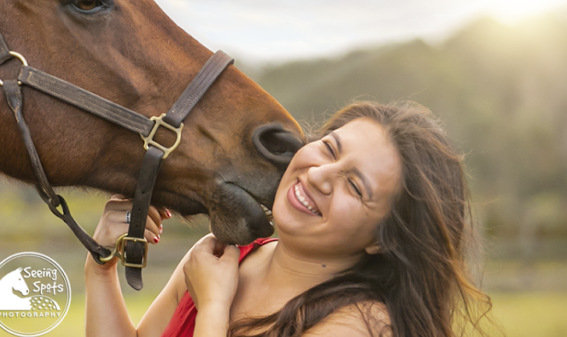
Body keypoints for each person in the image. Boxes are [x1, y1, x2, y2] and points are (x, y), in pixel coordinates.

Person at [84, 101, 493, 337]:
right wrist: (101, 265)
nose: (317, 175)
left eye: (354, 186)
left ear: (385, 239)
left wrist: (213, 310)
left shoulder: (359, 326)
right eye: (330, 150)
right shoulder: (224, 256)